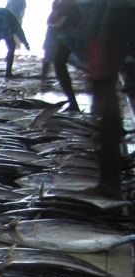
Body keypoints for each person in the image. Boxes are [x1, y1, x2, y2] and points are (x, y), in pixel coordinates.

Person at [85, 0, 135, 199]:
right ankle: (110, 182)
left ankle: (110, 184)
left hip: (118, 25)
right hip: (117, 29)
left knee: (106, 98)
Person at [41, 0, 82, 111]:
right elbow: (53, 21)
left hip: (68, 37)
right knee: (59, 65)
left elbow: (74, 20)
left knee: (59, 64)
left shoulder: (74, 6)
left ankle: (73, 103)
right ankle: (72, 102)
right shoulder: (57, 3)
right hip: (60, 36)